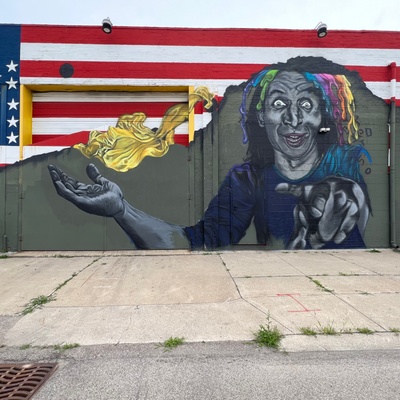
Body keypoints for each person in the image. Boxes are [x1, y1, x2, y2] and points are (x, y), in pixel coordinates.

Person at [48, 56, 372, 250]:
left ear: (323, 115)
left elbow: (350, 197)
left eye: (306, 104)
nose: (293, 118)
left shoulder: (343, 168)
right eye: (278, 103)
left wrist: (348, 195)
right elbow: (196, 241)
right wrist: (122, 211)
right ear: (261, 117)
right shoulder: (246, 180)